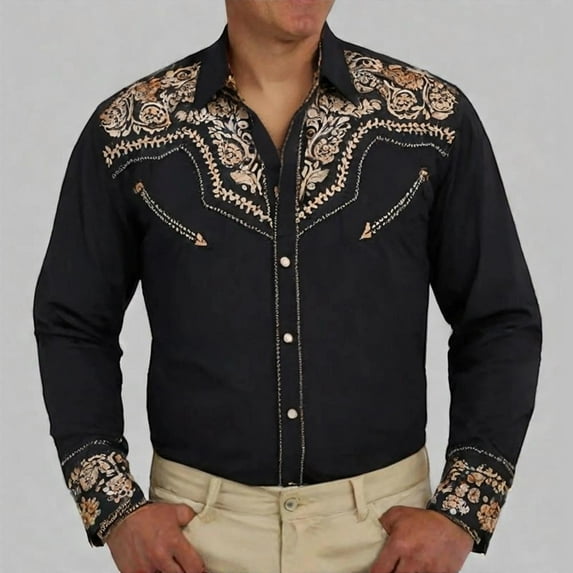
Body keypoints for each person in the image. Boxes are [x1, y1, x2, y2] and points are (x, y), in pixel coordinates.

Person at [32, 1, 542, 572]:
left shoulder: (431, 120)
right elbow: (73, 323)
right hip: (195, 538)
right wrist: (114, 510)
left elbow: (500, 320)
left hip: (384, 537)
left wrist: (461, 514)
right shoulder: (130, 131)